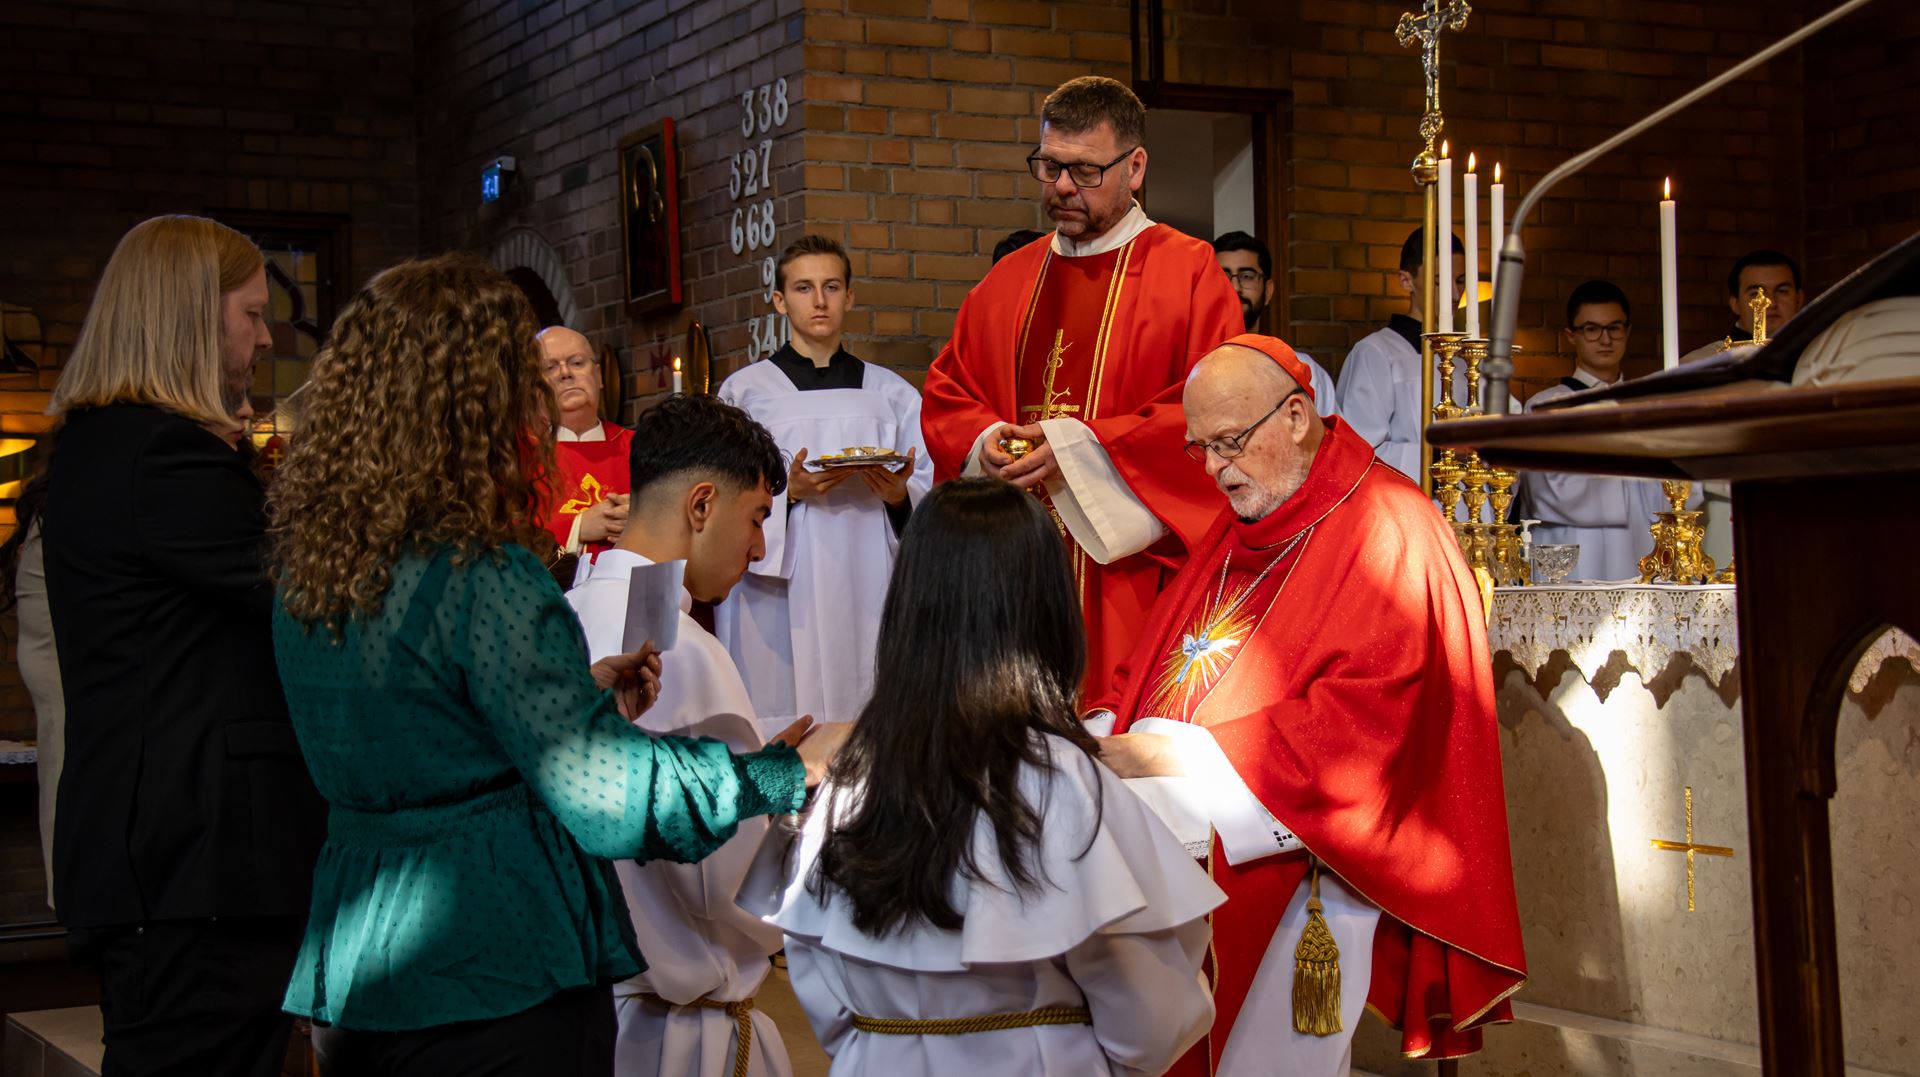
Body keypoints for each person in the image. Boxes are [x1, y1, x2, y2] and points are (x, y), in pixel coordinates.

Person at [265, 253, 845, 1076]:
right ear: (478, 402)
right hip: (491, 958)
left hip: (364, 963)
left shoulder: (315, 570)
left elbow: (426, 735)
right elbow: (609, 799)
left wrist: (582, 703)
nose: (542, 414)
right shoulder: (483, 572)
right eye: (526, 388)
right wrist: (782, 775)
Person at [1092, 334, 1526, 1076]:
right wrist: (1100, 725)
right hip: (1176, 830)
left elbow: (1371, 727)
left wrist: (1173, 752)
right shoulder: (1244, 520)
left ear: (1296, 415)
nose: (1214, 468)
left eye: (1229, 441)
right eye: (1198, 448)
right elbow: (1161, 657)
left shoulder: (1392, 526)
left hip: (1300, 855)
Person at [760, 477, 1223, 1077]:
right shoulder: (1065, 782)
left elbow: (816, 977)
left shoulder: (845, 778)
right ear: (1046, 614)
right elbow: (1151, 1016)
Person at [39, 214, 328, 1076]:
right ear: (190, 317)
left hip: (170, 861)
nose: (265, 334)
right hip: (194, 862)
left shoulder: (106, 445)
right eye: (249, 312)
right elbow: (311, 595)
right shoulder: (162, 453)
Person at [922, 75, 1243, 698]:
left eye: (1086, 171)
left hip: (1129, 581)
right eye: (1050, 166)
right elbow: (947, 390)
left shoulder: (1188, 272)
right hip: (1011, 577)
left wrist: (1075, 447)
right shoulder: (1009, 281)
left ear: (1136, 167)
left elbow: (1215, 416)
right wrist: (986, 440)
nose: (1063, 186)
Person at [566, 393, 803, 1077]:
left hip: (587, 1013)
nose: (759, 546)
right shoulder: (685, 652)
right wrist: (794, 794)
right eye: (756, 516)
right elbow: (728, 891)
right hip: (679, 1033)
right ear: (701, 505)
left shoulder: (561, 613)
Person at [714, 236, 931, 733]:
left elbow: (927, 486)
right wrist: (786, 493)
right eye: (804, 288)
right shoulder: (746, 393)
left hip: (870, 574)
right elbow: (721, 498)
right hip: (781, 589)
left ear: (849, 297)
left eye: (831, 287)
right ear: (779, 300)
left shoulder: (891, 393)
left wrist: (900, 497)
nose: (819, 301)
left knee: (874, 713)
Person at [1517, 281, 1699, 580]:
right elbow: (1546, 495)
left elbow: (1683, 494)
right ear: (1571, 336)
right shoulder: (1546, 407)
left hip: (1640, 549)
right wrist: (1632, 462)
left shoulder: (1650, 406)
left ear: (1627, 331)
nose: (1605, 339)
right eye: (1591, 328)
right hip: (1573, 553)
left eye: (1614, 327)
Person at [1337, 226, 1467, 479]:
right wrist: (1443, 455)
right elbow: (1361, 452)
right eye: (1439, 280)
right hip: (1412, 507)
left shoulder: (1465, 361)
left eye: (1460, 280)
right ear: (1406, 280)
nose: (1454, 294)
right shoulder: (1375, 353)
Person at [1211, 230, 1339, 413]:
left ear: (1268, 291)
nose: (1235, 287)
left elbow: (1331, 441)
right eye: (1223, 276)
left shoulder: (1302, 371)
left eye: (1247, 276)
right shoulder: (1190, 370)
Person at [539, 324, 632, 566]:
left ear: (599, 376)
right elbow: (510, 533)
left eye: (577, 362)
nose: (565, 373)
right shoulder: (518, 456)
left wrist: (641, 520)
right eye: (550, 367)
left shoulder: (637, 447)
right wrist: (578, 527)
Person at [1679, 248, 1807, 364]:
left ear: (1799, 299)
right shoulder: (1700, 364)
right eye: (1755, 294)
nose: (1770, 303)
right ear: (1735, 304)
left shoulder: (1817, 358)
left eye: (1782, 291)